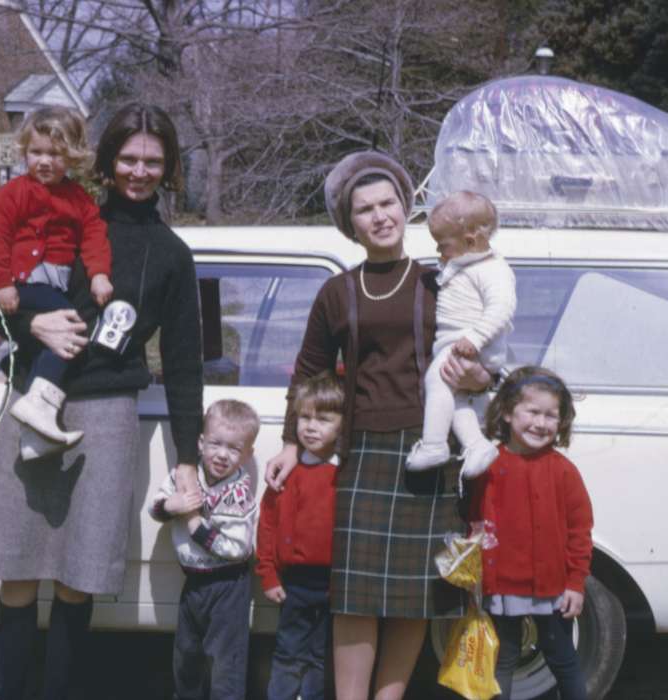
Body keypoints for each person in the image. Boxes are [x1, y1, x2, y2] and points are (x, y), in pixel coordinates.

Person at [0, 103, 204, 700]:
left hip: (107, 417)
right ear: (107, 159)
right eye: (128, 157)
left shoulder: (173, 255)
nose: (139, 171)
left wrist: (187, 458)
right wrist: (33, 331)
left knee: (78, 581)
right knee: (17, 571)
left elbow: (182, 365)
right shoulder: (66, 211)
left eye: (153, 161)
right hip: (33, 400)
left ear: (168, 167)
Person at [264, 151, 493, 700]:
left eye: (388, 202)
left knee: (414, 596)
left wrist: (481, 374)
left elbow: (483, 357)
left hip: (431, 452)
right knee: (356, 596)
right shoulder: (337, 292)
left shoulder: (444, 282)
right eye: (365, 209)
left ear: (405, 207)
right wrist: (291, 442)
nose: (380, 215)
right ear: (352, 224)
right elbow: (309, 370)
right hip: (364, 453)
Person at [0, 106, 114, 455]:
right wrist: (3, 284)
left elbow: (94, 237)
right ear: (24, 151)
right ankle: (41, 403)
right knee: (72, 326)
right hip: (23, 283)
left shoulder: (78, 200)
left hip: (55, 283)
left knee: (50, 344)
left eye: (55, 154)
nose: (45, 161)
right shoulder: (12, 193)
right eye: (36, 152)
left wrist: (100, 274)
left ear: (70, 156)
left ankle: (33, 438)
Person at [468, 366, 593, 700]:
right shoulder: (487, 465)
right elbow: (474, 523)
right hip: (501, 587)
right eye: (533, 411)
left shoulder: (564, 472)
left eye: (551, 415)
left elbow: (580, 532)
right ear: (508, 412)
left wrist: (575, 583)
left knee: (564, 660)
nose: (541, 423)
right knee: (502, 661)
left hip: (552, 589)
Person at [149, 399, 260, 700]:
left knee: (226, 663)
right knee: (187, 657)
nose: (222, 455)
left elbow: (238, 547)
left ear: (248, 454)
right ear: (200, 443)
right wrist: (171, 505)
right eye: (215, 443)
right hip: (194, 581)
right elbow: (155, 508)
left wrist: (196, 525)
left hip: (228, 585)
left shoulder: (238, 491)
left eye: (234, 448)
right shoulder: (185, 476)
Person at [406, 191, 516, 475]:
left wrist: (475, 339)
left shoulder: (492, 269)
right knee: (454, 400)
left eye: (443, 246)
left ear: (470, 241)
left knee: (436, 379)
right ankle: (477, 445)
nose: (439, 253)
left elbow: (502, 308)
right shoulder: (463, 264)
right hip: (461, 344)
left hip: (469, 344)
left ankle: (434, 445)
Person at [256, 370, 344, 700]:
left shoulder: (345, 474)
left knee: (321, 657)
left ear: (341, 425)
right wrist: (268, 574)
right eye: (304, 417)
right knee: (288, 654)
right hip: (292, 584)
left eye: (323, 419)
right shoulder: (286, 472)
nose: (310, 426)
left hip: (333, 585)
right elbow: (267, 525)